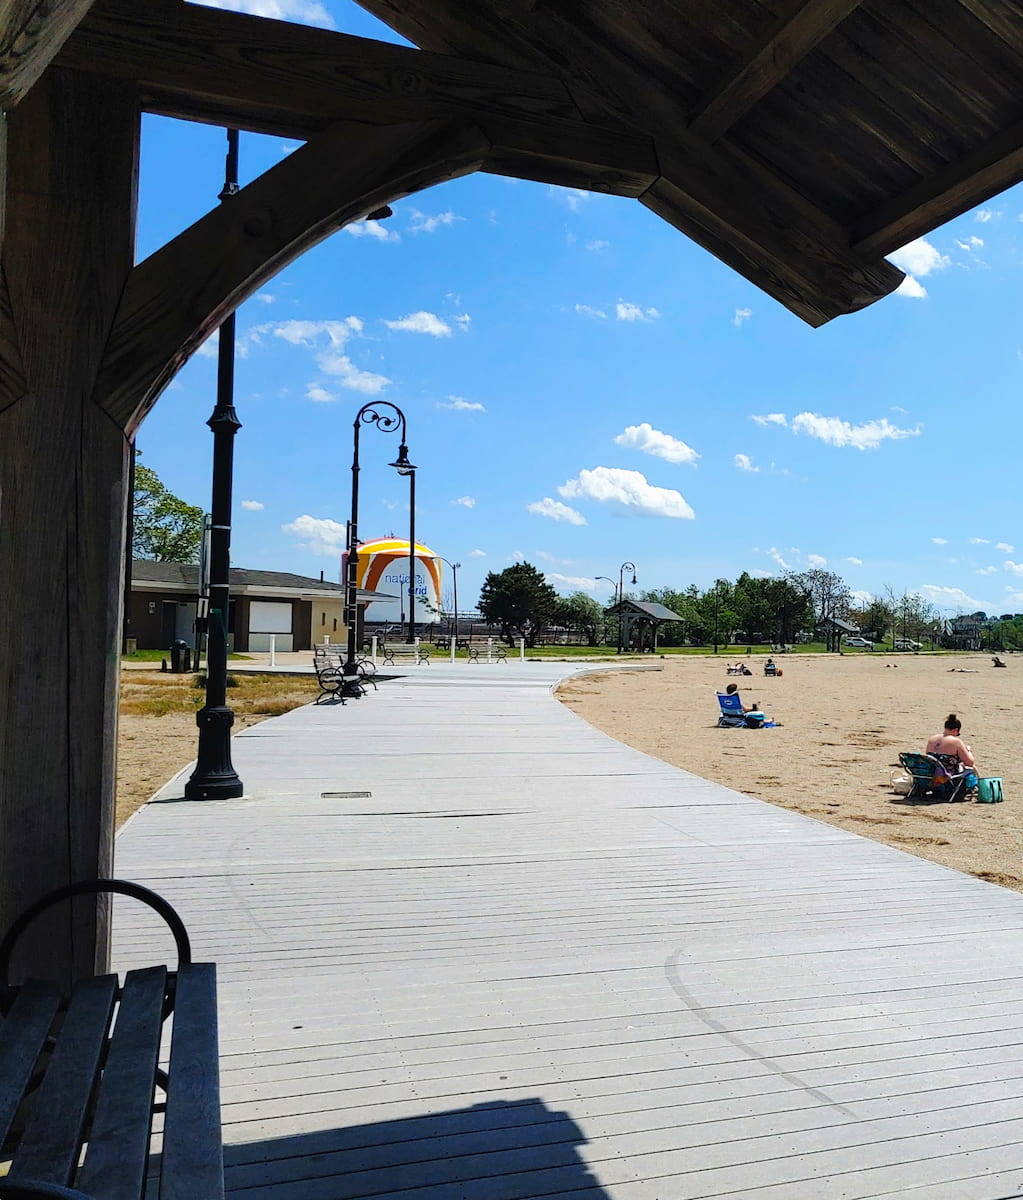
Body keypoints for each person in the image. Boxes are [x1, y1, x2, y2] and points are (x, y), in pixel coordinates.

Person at [926, 713, 979, 790]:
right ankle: (979, 787)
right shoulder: (956, 742)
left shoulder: (932, 739)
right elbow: (970, 762)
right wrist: (968, 750)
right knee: (972, 767)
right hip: (945, 776)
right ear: (956, 730)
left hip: (931, 772)